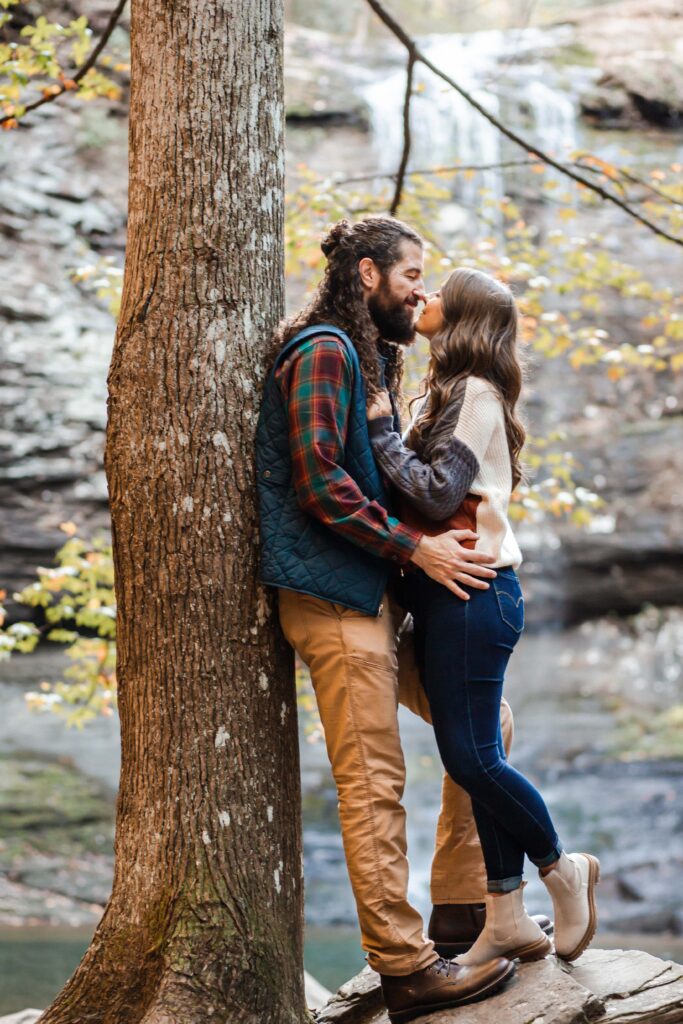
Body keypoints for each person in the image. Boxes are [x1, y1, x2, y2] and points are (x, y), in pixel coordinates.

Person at [256, 216, 542, 1024]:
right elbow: (318, 482)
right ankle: (405, 967)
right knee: (375, 783)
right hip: (331, 598)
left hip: (373, 591)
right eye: (412, 273)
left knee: (490, 728)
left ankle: (461, 908)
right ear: (369, 273)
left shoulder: (372, 360)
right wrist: (414, 551)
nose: (422, 289)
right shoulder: (321, 350)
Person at [366, 266, 600, 967]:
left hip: (476, 594)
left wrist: (379, 427)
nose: (423, 298)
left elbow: (438, 497)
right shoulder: (445, 392)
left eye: (437, 291)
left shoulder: (474, 392)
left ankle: (561, 869)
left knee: (471, 756)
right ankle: (503, 915)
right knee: (474, 759)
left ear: (462, 316)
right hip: (446, 597)